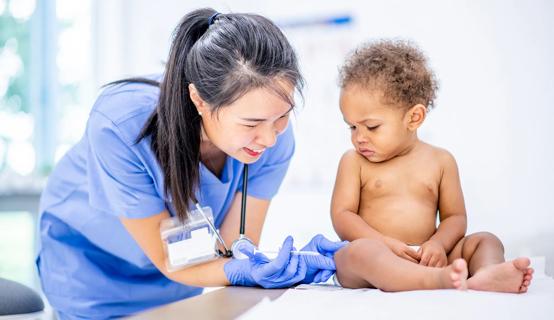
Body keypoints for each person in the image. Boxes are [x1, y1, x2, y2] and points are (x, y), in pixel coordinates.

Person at [36, 8, 345, 319]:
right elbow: (171, 259)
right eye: (252, 123)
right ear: (199, 100)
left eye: (282, 116)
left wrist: (274, 266)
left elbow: (233, 252)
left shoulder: (273, 140)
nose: (269, 139)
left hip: (181, 281)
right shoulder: (120, 125)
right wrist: (245, 270)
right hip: (92, 272)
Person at [330, 39, 534, 292]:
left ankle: (487, 274)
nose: (358, 137)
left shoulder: (441, 161)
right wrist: (383, 242)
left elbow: (455, 217)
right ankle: (435, 281)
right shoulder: (354, 162)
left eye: (371, 126)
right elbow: (342, 216)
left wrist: (438, 244)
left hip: (429, 257)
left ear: (414, 118)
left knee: (486, 241)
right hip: (377, 255)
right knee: (358, 253)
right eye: (352, 126)